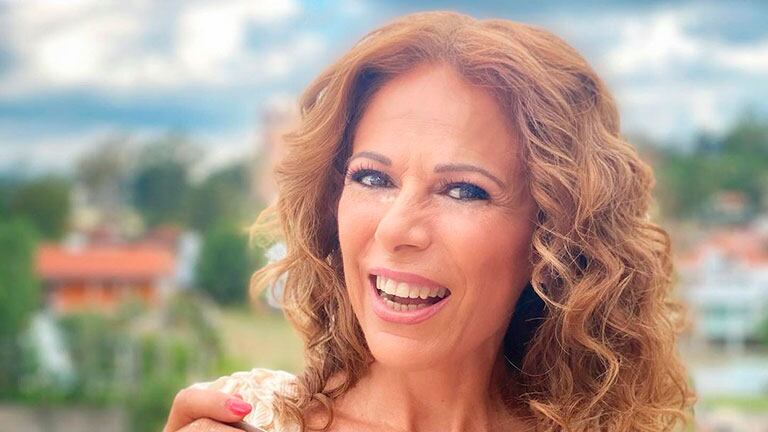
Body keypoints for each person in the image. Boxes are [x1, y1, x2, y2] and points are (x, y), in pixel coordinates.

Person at [164, 11, 696, 432]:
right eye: (373, 178)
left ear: (553, 236)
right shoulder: (250, 425)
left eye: (463, 190)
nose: (396, 230)